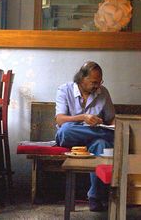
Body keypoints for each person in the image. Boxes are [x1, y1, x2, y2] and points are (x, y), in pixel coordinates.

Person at [55, 61, 115, 212]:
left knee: (101, 144)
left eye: (100, 82)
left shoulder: (103, 92)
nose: (97, 86)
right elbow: (60, 120)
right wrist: (83, 118)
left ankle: (94, 196)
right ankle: (107, 134)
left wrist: (109, 125)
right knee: (66, 129)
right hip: (70, 137)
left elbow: (111, 119)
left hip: (93, 137)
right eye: (94, 82)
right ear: (82, 79)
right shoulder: (64, 89)